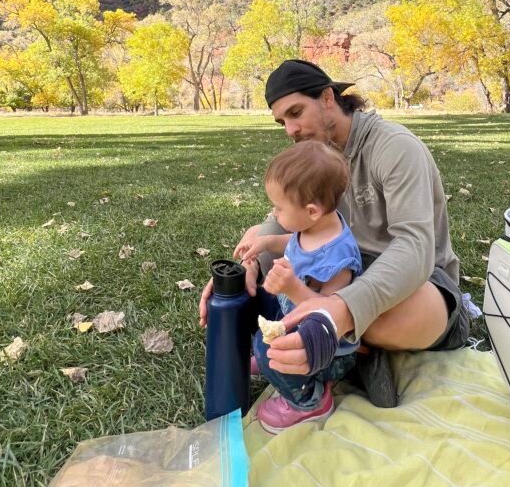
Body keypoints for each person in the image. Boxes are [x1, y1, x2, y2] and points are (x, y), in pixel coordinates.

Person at [199, 58, 469, 410]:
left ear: (328, 97)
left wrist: (341, 309)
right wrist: (247, 265)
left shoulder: (394, 147)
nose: (290, 130)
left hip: (416, 283)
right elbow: (281, 219)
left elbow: (416, 249)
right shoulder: (313, 156)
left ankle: (342, 345)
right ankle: (354, 349)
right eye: (282, 121)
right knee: (261, 240)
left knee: (410, 312)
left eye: (296, 113)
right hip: (341, 273)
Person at [241, 141, 362, 432]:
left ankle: (309, 400)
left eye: (279, 208)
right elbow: (295, 245)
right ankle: (275, 363)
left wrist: (293, 287)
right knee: (255, 300)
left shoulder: (338, 258)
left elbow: (330, 316)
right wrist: (268, 242)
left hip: (327, 351)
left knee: (264, 345)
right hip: (292, 316)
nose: (274, 214)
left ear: (311, 211)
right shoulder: (311, 228)